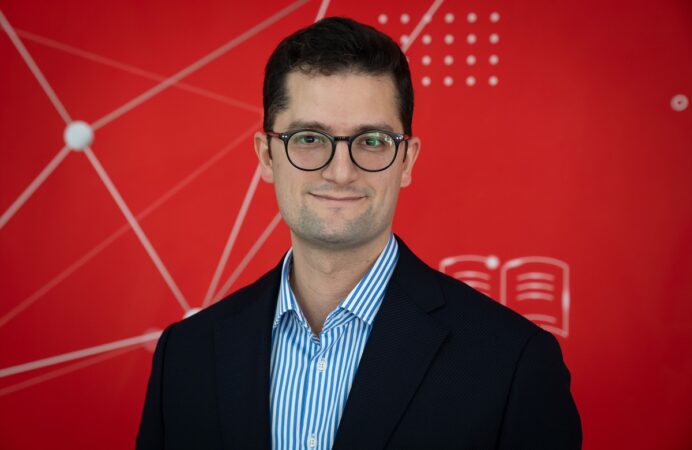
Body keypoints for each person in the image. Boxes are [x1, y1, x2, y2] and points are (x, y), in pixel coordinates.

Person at [136, 17, 582, 450]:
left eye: (371, 141)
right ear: (267, 157)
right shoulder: (186, 356)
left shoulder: (512, 362)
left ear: (406, 161)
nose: (340, 172)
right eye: (309, 138)